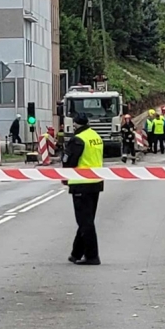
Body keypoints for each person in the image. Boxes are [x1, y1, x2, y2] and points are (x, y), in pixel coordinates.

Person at [62, 113, 104, 265]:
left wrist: (64, 176)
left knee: (85, 222)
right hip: (96, 181)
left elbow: (69, 161)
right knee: (87, 220)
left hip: (81, 183)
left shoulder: (77, 139)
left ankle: (92, 256)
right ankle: (76, 253)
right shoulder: (95, 136)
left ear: (75, 124)